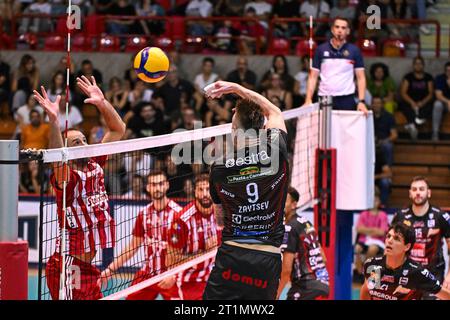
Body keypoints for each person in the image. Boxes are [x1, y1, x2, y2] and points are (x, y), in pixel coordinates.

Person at [33, 75, 126, 300]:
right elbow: (56, 158)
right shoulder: (68, 177)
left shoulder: (95, 163)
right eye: (77, 143)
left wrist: (102, 102)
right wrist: (54, 121)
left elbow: (118, 129)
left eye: (84, 140)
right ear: (67, 152)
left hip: (86, 267)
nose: (84, 145)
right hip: (68, 266)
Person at [203, 80, 290, 300]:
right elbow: (275, 112)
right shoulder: (276, 151)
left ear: (234, 131)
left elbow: (220, 219)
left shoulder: (219, 168)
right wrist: (237, 89)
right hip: (266, 259)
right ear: (262, 129)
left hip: (232, 255)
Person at [100, 170, 183, 300]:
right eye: (153, 184)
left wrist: (174, 274)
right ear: (148, 187)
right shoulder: (143, 214)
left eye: (161, 184)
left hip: (170, 275)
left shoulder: (179, 214)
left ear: (167, 185)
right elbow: (132, 247)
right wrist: (110, 269)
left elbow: (186, 251)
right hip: (148, 274)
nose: (158, 188)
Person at [391, 176, 450, 300]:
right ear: (410, 193)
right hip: (407, 274)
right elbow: (392, 247)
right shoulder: (400, 216)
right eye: (414, 189)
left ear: (428, 193)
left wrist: (449, 276)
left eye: (421, 189)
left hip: (433, 275)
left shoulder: (441, 216)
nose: (418, 192)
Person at [360, 222, 450, 300]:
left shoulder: (416, 272)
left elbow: (445, 295)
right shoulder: (373, 265)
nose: (389, 241)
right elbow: (366, 290)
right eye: (388, 236)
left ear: (407, 247)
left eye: (396, 239)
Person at [168, 174, 220, 300]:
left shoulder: (221, 212)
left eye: (208, 189)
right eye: (201, 190)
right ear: (195, 192)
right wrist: (204, 254)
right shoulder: (182, 220)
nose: (205, 194)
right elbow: (170, 259)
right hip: (190, 282)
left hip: (216, 278)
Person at [304, 17, 368, 115]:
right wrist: (308, 99)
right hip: (324, 97)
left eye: (343, 28)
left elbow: (361, 78)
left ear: (348, 31)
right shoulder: (320, 49)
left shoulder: (354, 50)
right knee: (324, 129)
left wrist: (361, 101)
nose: (340, 30)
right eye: (337, 27)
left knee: (345, 129)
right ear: (332, 29)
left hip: (346, 98)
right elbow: (313, 76)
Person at [277, 187, 329, 300]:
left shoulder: (289, 228)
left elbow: (286, 270)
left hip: (305, 286)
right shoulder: (306, 223)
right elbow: (323, 258)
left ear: (294, 204)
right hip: (323, 285)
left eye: (284, 201)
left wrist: (275, 295)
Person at [353, 188, 389, 282]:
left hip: (378, 242)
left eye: (375, 200)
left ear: (379, 201)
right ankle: (360, 272)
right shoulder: (363, 214)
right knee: (357, 248)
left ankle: (367, 271)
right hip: (364, 241)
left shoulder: (382, 215)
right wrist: (374, 230)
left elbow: (381, 232)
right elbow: (359, 229)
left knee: (372, 248)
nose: (373, 202)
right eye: (371, 200)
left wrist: (367, 230)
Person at [399, 56, 434, 141]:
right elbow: (403, 92)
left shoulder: (428, 77)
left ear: (423, 65)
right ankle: (413, 124)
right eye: (416, 64)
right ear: (413, 65)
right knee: (403, 104)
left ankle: (414, 123)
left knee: (430, 105)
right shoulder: (408, 77)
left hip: (424, 102)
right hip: (410, 102)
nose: (418, 66)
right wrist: (412, 102)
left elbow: (431, 93)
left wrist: (422, 103)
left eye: (420, 64)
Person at [372, 96, 397, 166]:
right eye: (374, 103)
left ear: (382, 105)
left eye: (378, 103)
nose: (376, 105)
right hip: (370, 142)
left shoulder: (389, 117)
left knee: (388, 146)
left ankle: (388, 170)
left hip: (384, 141)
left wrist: (384, 141)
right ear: (371, 105)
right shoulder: (367, 117)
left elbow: (394, 135)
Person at [431, 62, 450, 141]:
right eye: (447, 70)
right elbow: (438, 95)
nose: (449, 72)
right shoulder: (440, 78)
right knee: (437, 104)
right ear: (444, 71)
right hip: (444, 103)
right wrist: (448, 101)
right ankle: (435, 133)